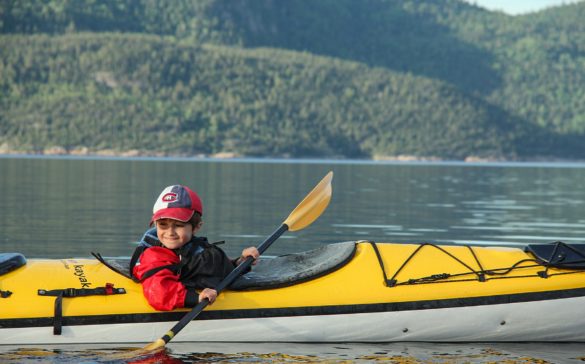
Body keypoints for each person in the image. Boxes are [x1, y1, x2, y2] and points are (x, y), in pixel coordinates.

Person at [131, 184, 259, 311]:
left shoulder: (194, 248)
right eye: (163, 225)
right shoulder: (154, 256)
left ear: (197, 227)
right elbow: (158, 294)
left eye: (179, 225)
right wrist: (196, 298)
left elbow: (214, 269)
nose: (170, 232)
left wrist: (241, 262)